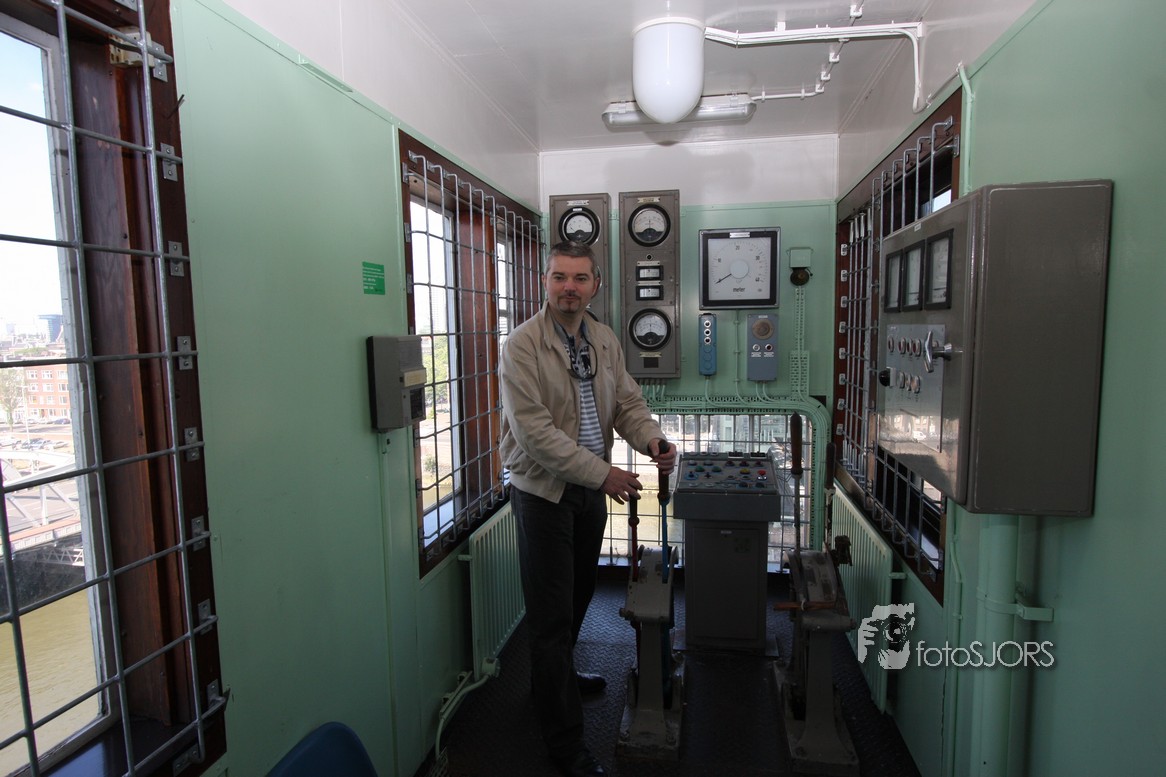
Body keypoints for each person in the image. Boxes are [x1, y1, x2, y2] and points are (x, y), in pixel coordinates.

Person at [499, 241, 676, 777]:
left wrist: (651, 439)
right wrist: (604, 475)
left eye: (579, 278)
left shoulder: (602, 339)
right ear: (545, 282)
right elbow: (535, 434)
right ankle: (566, 745)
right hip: (543, 493)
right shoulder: (521, 346)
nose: (569, 288)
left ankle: (553, 682)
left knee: (578, 596)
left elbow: (627, 403)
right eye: (559, 277)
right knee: (550, 619)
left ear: (595, 284)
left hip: (588, 493)